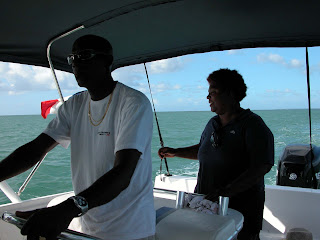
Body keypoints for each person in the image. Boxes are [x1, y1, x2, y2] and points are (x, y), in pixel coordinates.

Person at [0, 35, 155, 240]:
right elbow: (36, 148)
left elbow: (123, 171)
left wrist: (66, 210)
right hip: (89, 225)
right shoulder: (73, 106)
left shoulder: (133, 103)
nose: (76, 63)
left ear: (107, 61)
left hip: (131, 230)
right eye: (72, 58)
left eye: (84, 55)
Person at [158, 68, 274, 240]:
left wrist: (226, 191)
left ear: (230, 94)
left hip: (240, 209)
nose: (208, 98)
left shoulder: (253, 125)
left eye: (213, 93)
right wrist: (175, 153)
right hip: (207, 206)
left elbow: (262, 165)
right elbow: (204, 150)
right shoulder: (212, 124)